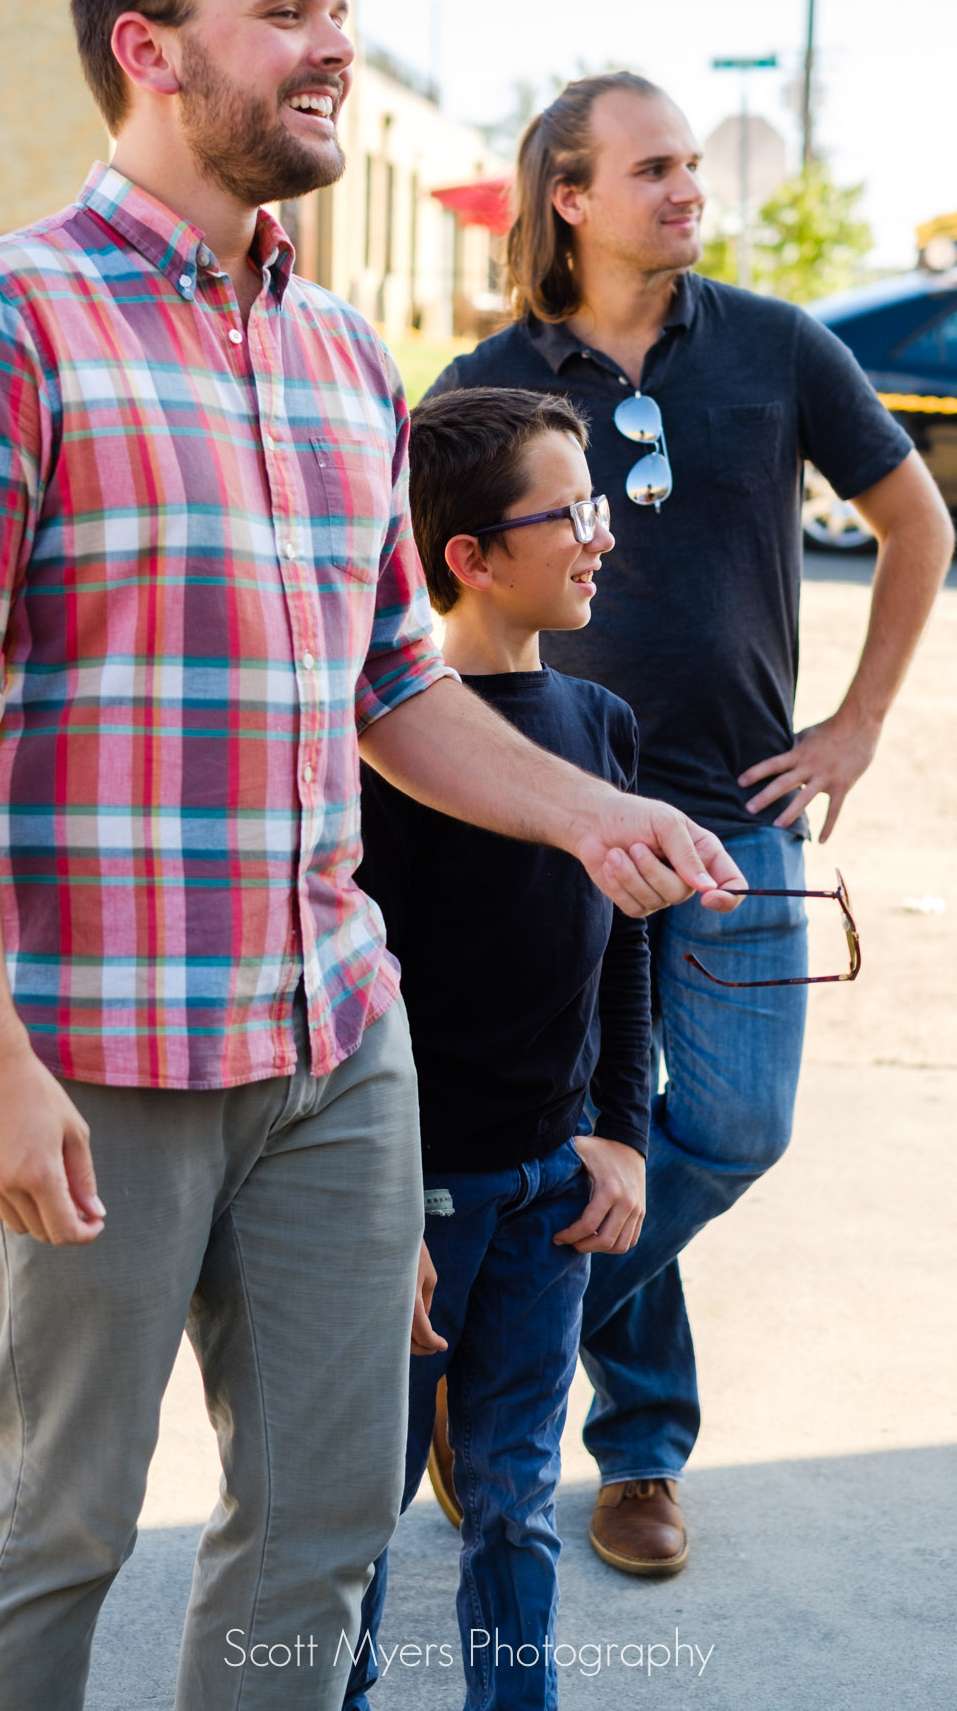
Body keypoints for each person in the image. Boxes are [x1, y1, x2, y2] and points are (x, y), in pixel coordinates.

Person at [0, 0, 744, 1711]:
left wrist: (590, 818)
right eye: (285, 13)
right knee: (58, 1520)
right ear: (150, 51)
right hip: (87, 1042)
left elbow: (391, 689)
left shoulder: (345, 359)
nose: (336, 43)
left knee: (328, 1511)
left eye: (337, 7)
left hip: (335, 1034)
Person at [429, 71, 955, 1577]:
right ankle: (641, 1450)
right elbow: (427, 585)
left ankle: (503, 1331)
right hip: (547, 821)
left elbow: (916, 522)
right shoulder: (487, 378)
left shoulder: (779, 348)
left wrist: (853, 724)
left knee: (729, 1124)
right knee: (594, 1125)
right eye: (652, 167)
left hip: (736, 819)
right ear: (569, 198)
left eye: (688, 167)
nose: (687, 189)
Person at [342, 387, 651, 1711]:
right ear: (465, 556)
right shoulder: (391, 754)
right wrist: (375, 1209)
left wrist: (620, 1136)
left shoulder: (599, 728)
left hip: (545, 1198)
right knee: (347, 1518)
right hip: (412, 1200)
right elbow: (368, 989)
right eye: (570, 512)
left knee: (517, 1501)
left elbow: (625, 953)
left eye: (599, 504)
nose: (602, 538)